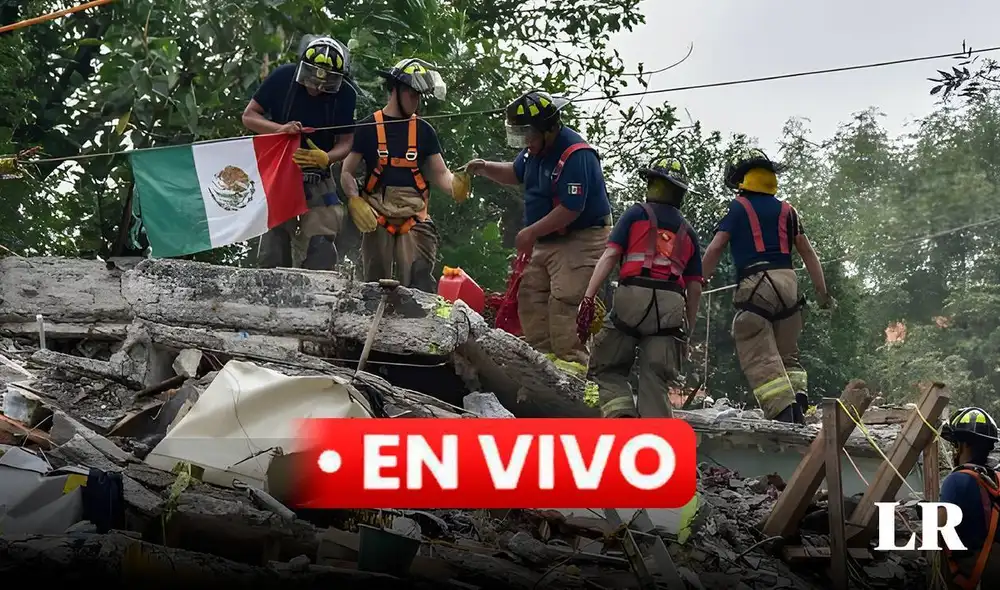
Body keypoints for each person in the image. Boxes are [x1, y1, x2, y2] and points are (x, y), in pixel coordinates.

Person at [466, 89, 613, 366]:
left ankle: (572, 367)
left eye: (529, 135)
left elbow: (571, 208)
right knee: (531, 296)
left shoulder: (576, 154)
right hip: (546, 238)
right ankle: (541, 363)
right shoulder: (533, 151)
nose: (525, 142)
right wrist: (483, 167)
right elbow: (515, 172)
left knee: (565, 301)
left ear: (549, 129)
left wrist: (531, 232)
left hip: (581, 238)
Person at [700, 148, 830, 424]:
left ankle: (784, 413)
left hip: (757, 284)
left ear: (744, 181)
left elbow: (716, 247)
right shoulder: (788, 211)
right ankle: (799, 404)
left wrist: (699, 280)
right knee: (787, 354)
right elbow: (808, 253)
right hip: (789, 286)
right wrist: (822, 293)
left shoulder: (739, 207)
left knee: (755, 343)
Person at [577, 157, 703, 418]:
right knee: (656, 379)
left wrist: (588, 297)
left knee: (608, 368)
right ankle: (656, 438)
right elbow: (694, 288)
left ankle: (622, 420)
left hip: (632, 299)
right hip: (670, 308)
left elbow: (610, 256)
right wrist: (687, 331)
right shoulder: (688, 231)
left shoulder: (635, 214)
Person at [340, 58, 461, 293]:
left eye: (419, 96)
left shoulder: (424, 131)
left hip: (414, 214)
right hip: (376, 215)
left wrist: (457, 186)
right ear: (395, 89)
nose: (416, 101)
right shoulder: (368, 127)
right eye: (412, 94)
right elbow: (346, 171)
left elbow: (441, 173)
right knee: (374, 287)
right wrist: (354, 198)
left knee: (419, 283)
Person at [242, 36, 357, 270]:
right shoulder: (283, 77)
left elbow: (346, 141)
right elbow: (249, 116)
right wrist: (279, 130)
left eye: (326, 83)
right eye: (312, 79)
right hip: (280, 172)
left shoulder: (345, 95)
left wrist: (328, 157)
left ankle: (317, 287)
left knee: (323, 244)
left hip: (318, 175)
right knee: (274, 246)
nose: (317, 87)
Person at [939, 407, 1000, 590]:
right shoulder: (996, 479)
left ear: (963, 444)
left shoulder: (957, 481)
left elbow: (940, 526)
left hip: (975, 575)